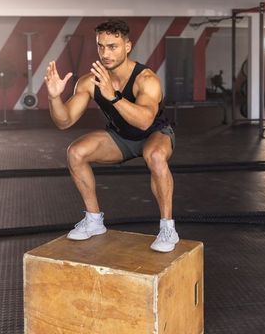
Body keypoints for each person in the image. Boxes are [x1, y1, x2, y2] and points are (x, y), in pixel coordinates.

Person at [44, 18, 179, 252]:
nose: (105, 53)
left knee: (156, 156)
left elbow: (145, 120)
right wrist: (54, 97)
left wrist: (113, 95)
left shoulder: (146, 80)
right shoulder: (89, 81)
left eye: (113, 47)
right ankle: (94, 220)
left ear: (127, 46)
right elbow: (64, 121)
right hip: (121, 137)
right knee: (76, 152)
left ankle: (168, 228)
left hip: (154, 134)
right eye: (101, 46)